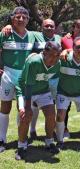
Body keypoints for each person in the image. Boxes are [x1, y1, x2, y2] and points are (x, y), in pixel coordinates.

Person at [15, 41, 61, 160]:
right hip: (25, 90)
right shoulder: (34, 61)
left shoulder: (58, 64)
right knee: (26, 116)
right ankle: (21, 146)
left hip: (43, 90)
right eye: (51, 55)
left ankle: (49, 142)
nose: (54, 58)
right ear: (44, 52)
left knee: (51, 114)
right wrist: (28, 107)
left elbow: (53, 81)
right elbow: (28, 85)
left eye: (57, 55)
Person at [0, 6, 36, 153]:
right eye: (18, 17)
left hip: (24, 76)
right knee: (5, 107)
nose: (21, 19)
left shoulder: (33, 36)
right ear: (12, 18)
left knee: (22, 108)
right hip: (8, 74)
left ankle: (22, 139)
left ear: (28, 20)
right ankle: (2, 139)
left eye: (24, 17)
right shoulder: (4, 33)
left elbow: (49, 42)